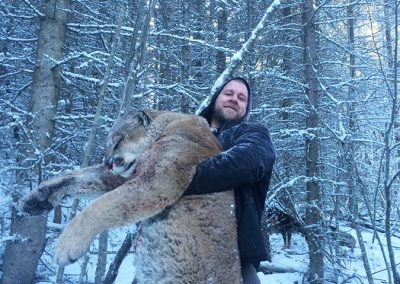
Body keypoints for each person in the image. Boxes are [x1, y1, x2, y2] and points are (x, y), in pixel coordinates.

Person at [184, 77, 276, 283]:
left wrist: (178, 179)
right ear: (216, 97)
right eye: (229, 93)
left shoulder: (253, 134)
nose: (235, 99)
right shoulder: (184, 133)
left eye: (242, 98)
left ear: (246, 108)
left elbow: (246, 162)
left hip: (234, 261)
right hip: (172, 250)